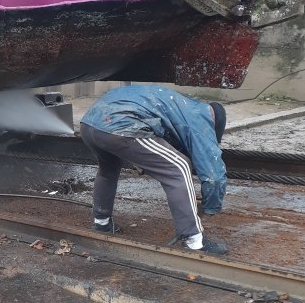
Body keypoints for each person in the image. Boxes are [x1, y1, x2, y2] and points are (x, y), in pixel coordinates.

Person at [80, 84, 228, 255]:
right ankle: (194, 241)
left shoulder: (181, 104)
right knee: (179, 167)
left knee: (108, 170)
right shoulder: (201, 120)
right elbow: (213, 175)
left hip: (90, 124)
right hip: (120, 126)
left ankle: (102, 223)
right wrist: (210, 206)